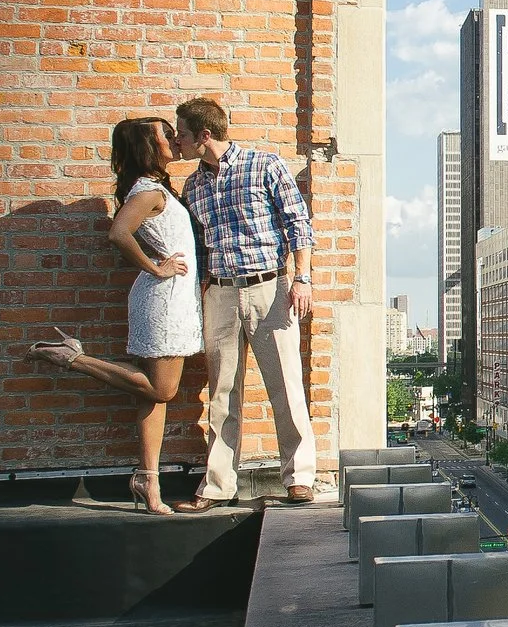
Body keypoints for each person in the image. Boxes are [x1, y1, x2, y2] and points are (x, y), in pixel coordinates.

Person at [31, 117, 205, 514]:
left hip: (174, 299)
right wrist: (155, 267)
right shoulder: (147, 191)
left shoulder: (156, 188)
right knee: (162, 390)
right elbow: (118, 233)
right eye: (166, 135)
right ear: (148, 145)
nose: (175, 140)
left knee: (152, 395)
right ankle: (71, 357)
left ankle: (148, 481)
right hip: (163, 299)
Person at [174, 97, 318, 503]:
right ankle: (219, 485)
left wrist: (302, 278)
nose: (176, 141)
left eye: (181, 133)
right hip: (219, 291)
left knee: (286, 387)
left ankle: (299, 477)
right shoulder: (193, 185)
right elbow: (199, 245)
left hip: (270, 288)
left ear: (204, 135)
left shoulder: (265, 165)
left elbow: (298, 224)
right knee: (221, 394)